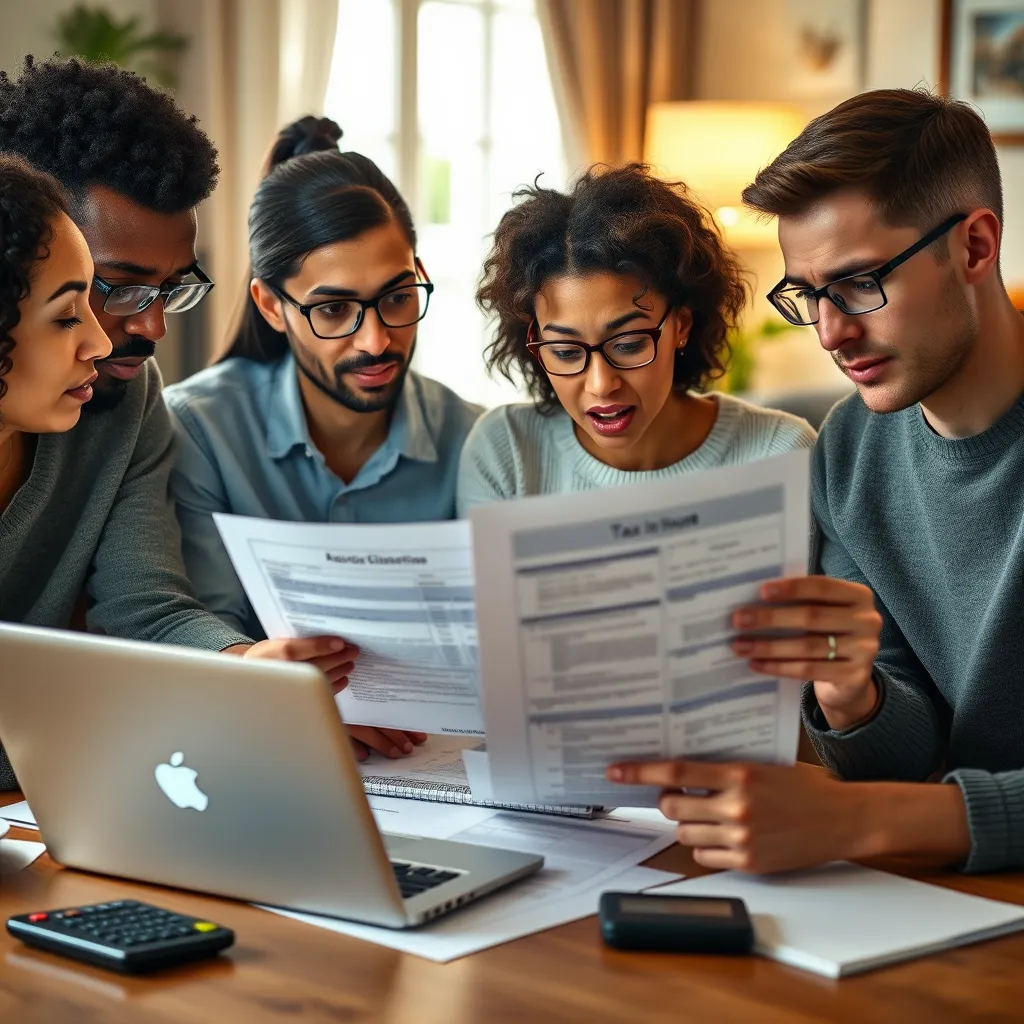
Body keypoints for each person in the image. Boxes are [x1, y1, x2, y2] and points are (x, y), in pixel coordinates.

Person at [608, 88, 1024, 875]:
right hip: (942, 894)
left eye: (860, 283)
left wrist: (851, 818)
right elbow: (904, 758)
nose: (831, 331)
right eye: (808, 294)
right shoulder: (850, 449)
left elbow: (879, 804)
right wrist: (849, 689)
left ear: (974, 246)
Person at [0, 58, 373, 773]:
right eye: (115, 289)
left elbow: (148, 607)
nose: (152, 328)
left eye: (173, 288)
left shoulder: (125, 398)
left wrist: (248, 670)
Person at [164, 118, 480, 758]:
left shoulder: (475, 438)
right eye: (333, 309)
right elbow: (193, 626)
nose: (375, 340)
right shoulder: (197, 428)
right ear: (272, 304)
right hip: (256, 753)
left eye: (396, 297)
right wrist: (293, 702)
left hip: (437, 760)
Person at [456, 163, 815, 515]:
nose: (601, 385)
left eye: (628, 345)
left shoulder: (779, 452)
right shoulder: (506, 452)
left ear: (682, 325)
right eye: (565, 352)